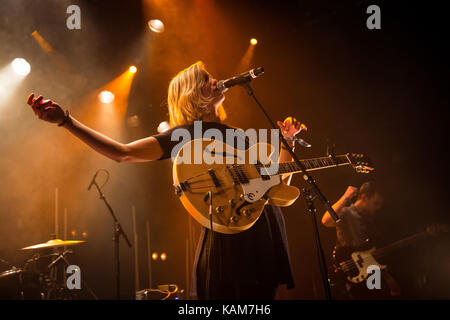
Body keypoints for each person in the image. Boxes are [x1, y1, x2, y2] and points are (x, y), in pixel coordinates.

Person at [26, 61, 302, 299]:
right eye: (206, 79)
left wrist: (288, 143)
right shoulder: (185, 135)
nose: (216, 81)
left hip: (265, 235)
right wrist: (66, 121)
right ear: (191, 92)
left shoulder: (239, 135)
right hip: (230, 242)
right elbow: (122, 153)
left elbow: (277, 187)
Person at [321, 182, 401, 299]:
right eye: (375, 203)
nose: (378, 207)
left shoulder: (370, 219)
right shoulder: (347, 212)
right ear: (364, 197)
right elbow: (326, 220)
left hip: (370, 273)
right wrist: (346, 196)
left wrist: (387, 277)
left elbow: (369, 253)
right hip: (353, 273)